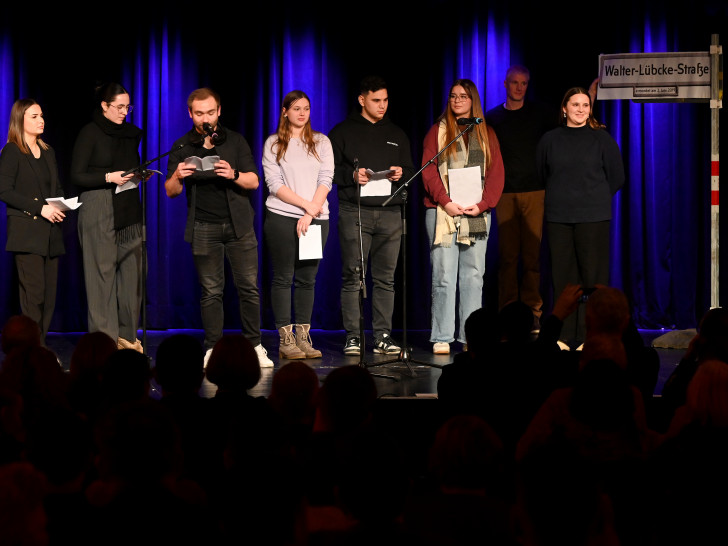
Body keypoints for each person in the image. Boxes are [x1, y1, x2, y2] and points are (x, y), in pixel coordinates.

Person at [165, 87, 273, 368]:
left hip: (239, 226)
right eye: (199, 113)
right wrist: (178, 174)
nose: (206, 119)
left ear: (219, 112)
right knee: (211, 291)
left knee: (248, 287)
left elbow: (254, 181)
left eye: (210, 112)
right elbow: (170, 191)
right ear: (190, 114)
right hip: (203, 227)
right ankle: (212, 347)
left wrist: (233, 174)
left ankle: (255, 345)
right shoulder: (181, 146)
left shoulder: (235, 141)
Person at [328, 75, 415, 356]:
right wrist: (351, 175)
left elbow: (410, 171)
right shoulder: (342, 132)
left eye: (386, 100)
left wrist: (402, 174)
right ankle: (353, 336)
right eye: (376, 100)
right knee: (354, 277)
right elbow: (328, 172)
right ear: (362, 99)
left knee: (385, 279)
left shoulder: (397, 133)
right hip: (356, 211)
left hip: (390, 213)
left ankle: (383, 336)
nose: (382, 105)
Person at [536, 86, 625, 349]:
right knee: (563, 276)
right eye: (575, 105)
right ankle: (563, 335)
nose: (581, 110)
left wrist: (592, 200)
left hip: (593, 217)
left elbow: (617, 176)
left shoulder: (602, 139)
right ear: (564, 108)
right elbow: (542, 174)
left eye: (585, 105)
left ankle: (590, 335)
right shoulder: (550, 140)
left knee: (592, 278)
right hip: (559, 216)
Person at [421, 78, 504, 354]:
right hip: (442, 213)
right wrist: (446, 202)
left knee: (473, 276)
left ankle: (471, 336)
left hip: (476, 213)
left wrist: (482, 204)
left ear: (473, 101)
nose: (457, 100)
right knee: (444, 275)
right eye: (453, 96)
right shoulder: (437, 132)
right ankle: (442, 335)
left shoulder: (486, 133)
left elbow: (496, 174)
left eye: (463, 96)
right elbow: (429, 171)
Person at [70, 82, 145, 353]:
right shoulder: (90, 133)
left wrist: (136, 175)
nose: (125, 112)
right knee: (101, 276)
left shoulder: (130, 134)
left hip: (127, 206)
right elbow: (77, 175)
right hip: (98, 204)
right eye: (119, 107)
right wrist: (108, 177)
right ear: (104, 105)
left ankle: (127, 337)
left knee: (131, 278)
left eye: (128, 107)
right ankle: (104, 342)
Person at [485, 65, 557, 332]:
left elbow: (572, 118)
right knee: (507, 257)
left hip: (535, 191)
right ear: (505, 84)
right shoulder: (493, 117)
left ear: (528, 85)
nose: (518, 87)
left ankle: (532, 312)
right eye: (514, 82)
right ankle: (507, 312)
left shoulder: (541, 114)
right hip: (504, 193)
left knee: (531, 257)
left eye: (523, 83)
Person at [262, 90, 334, 359]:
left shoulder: (321, 142)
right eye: (296, 108)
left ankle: (303, 337)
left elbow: (326, 177)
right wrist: (306, 207)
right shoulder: (273, 143)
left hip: (316, 219)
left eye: (306, 108)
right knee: (283, 277)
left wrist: (312, 211)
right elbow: (274, 184)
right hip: (282, 217)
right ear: (285, 112)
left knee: (307, 279)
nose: (302, 113)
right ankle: (285, 340)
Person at [0, 99, 65, 346]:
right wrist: (41, 208)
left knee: (48, 298)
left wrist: (59, 207)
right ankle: (31, 352)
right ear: (21, 120)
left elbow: (56, 187)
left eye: (42, 115)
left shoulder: (48, 151)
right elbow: (4, 191)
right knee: (33, 296)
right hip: (27, 233)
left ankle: (40, 346)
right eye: (34, 116)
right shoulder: (12, 151)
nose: (41, 120)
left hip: (50, 233)